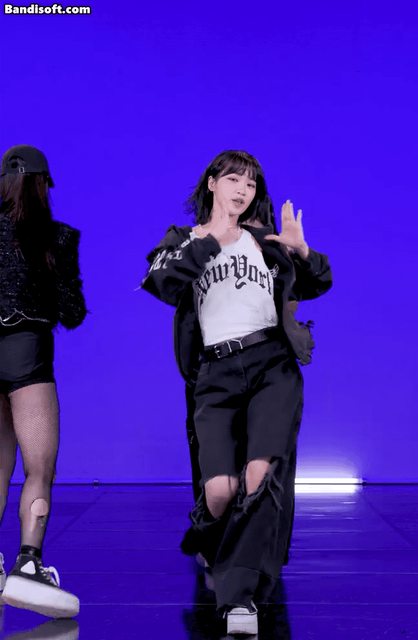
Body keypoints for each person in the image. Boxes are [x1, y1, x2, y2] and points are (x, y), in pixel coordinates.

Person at [141, 150, 332, 635]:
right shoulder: (183, 240)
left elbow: (319, 282)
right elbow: (159, 282)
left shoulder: (265, 239)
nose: (243, 189)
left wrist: (301, 251)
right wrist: (214, 240)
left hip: (271, 363)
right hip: (215, 372)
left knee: (258, 476)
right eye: (233, 179)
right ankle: (208, 538)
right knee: (221, 491)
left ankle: (238, 600)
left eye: (251, 183)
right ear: (211, 183)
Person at [0, 145, 86, 618]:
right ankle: (28, 563)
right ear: (42, 185)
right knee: (38, 468)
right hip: (27, 356)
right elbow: (72, 312)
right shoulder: (57, 237)